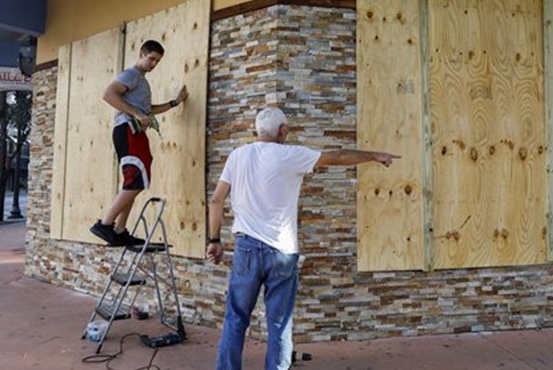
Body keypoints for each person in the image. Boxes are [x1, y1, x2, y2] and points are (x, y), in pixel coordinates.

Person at [206, 108, 399, 370]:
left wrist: (214, 240)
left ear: (257, 131)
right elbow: (338, 156)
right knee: (279, 324)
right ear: (282, 130)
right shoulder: (291, 154)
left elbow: (216, 200)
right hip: (282, 253)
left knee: (235, 319)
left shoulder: (237, 156)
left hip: (246, 249)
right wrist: (375, 155)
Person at [89, 40, 189, 246]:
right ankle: (105, 225)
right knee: (136, 181)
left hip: (133, 132)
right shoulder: (132, 74)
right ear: (141, 54)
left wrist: (174, 103)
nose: (153, 64)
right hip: (128, 131)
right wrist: (135, 113)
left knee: (134, 182)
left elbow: (147, 110)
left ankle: (120, 230)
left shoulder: (141, 81)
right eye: (151, 58)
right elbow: (108, 94)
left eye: (157, 61)